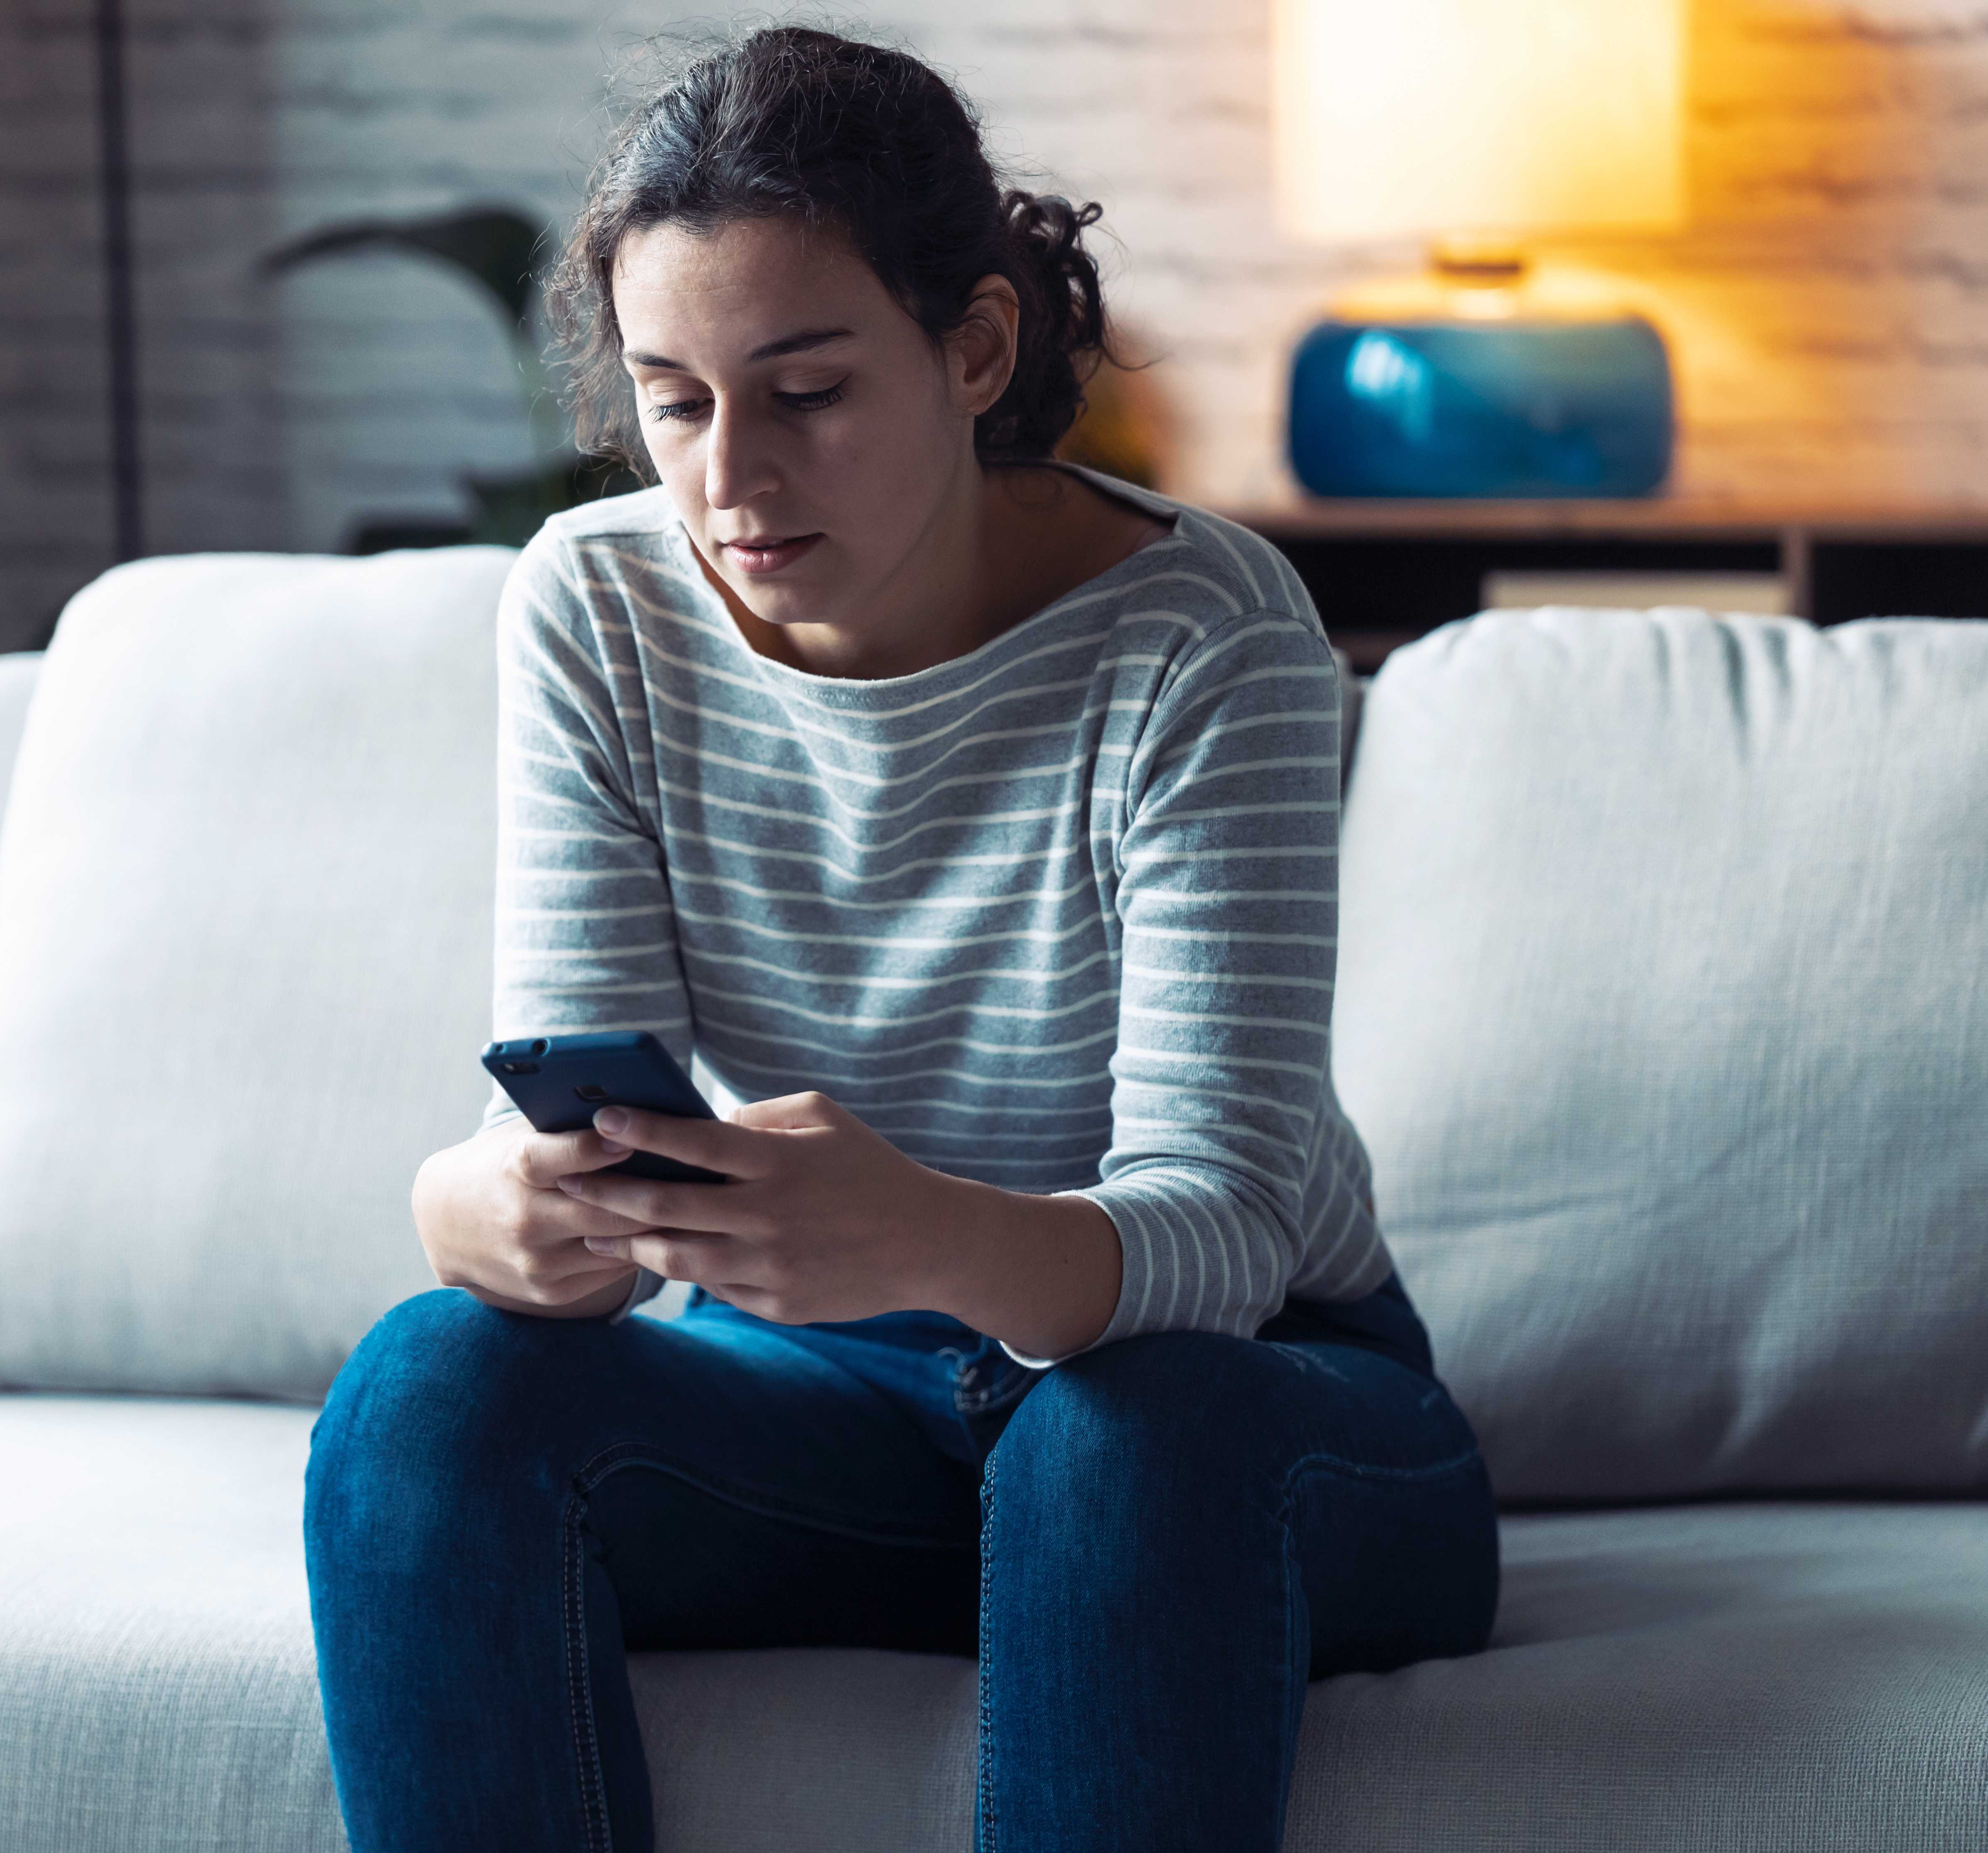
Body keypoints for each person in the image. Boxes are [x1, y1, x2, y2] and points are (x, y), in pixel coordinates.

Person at [304, 26, 1497, 1851]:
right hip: (830, 1405)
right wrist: (483, 1210)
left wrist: (925, 1230)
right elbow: (568, 1122)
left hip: (1247, 1403)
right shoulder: (598, 607)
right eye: (677, 400)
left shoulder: (1201, 636)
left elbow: (1233, 1228)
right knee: (428, 1388)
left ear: (977, 347)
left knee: (1115, 1438)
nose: (729, 481)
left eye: (806, 390)